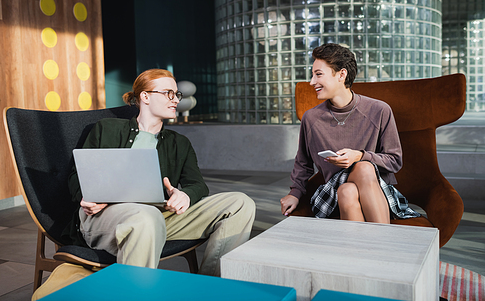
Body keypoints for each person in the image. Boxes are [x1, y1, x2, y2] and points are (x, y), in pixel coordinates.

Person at [62, 68, 256, 276]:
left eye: (177, 94)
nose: (175, 100)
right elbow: (77, 174)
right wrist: (86, 197)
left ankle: (209, 285)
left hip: (160, 217)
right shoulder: (106, 129)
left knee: (240, 203)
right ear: (145, 96)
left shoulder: (179, 143)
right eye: (168, 93)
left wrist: (185, 194)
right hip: (106, 218)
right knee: (146, 217)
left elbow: (198, 185)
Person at [280, 43, 419, 222]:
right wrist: (295, 193)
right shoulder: (311, 118)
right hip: (331, 196)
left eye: (318, 74)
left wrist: (359, 156)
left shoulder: (379, 110)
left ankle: (362, 249)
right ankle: (385, 243)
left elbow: (394, 161)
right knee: (354, 178)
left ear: (342, 74)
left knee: (352, 185)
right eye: (312, 75)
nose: (312, 82)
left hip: (375, 191)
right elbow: (303, 163)